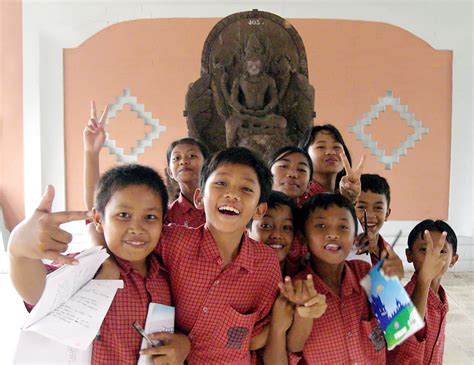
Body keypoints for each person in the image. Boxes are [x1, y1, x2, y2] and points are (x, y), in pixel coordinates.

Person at [8, 164, 190, 364]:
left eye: (150, 217)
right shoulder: (87, 268)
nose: (136, 228)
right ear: (98, 218)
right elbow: (35, 293)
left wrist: (183, 344)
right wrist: (19, 250)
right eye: (123, 215)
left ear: (163, 221)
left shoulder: (167, 275)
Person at [156, 147, 282, 364]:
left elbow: (257, 335)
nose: (232, 194)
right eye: (221, 183)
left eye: (246, 189)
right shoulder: (171, 242)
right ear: (199, 198)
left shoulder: (266, 263)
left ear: (259, 210)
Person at [280, 193, 403, 364]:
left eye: (343, 227)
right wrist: (304, 314)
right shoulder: (298, 289)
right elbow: (294, 348)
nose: (333, 234)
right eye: (321, 225)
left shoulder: (367, 273)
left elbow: (399, 328)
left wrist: (394, 283)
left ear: (354, 236)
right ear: (303, 236)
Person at [388, 220, 459, 364]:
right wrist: (424, 280)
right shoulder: (403, 299)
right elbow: (406, 342)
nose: (432, 258)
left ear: (453, 260)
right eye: (424, 250)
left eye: (441, 251)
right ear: (409, 255)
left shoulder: (440, 298)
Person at [298, 124, 365, 205]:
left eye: (336, 147)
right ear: (305, 154)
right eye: (321, 147)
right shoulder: (300, 195)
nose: (331, 152)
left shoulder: (342, 195)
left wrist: (350, 200)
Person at [248, 190, 298, 275]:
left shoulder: (300, 274)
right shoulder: (234, 276)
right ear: (246, 230)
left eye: (286, 227)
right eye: (266, 226)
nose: (277, 235)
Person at [164, 137, 209, 227]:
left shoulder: (219, 203)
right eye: (176, 158)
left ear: (207, 165)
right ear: (170, 172)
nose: (184, 161)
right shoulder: (168, 217)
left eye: (192, 156)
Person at [355, 173, 392, 264]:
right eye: (361, 207)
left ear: (387, 214)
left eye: (378, 208)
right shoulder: (344, 249)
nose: (370, 215)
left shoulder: (388, 252)